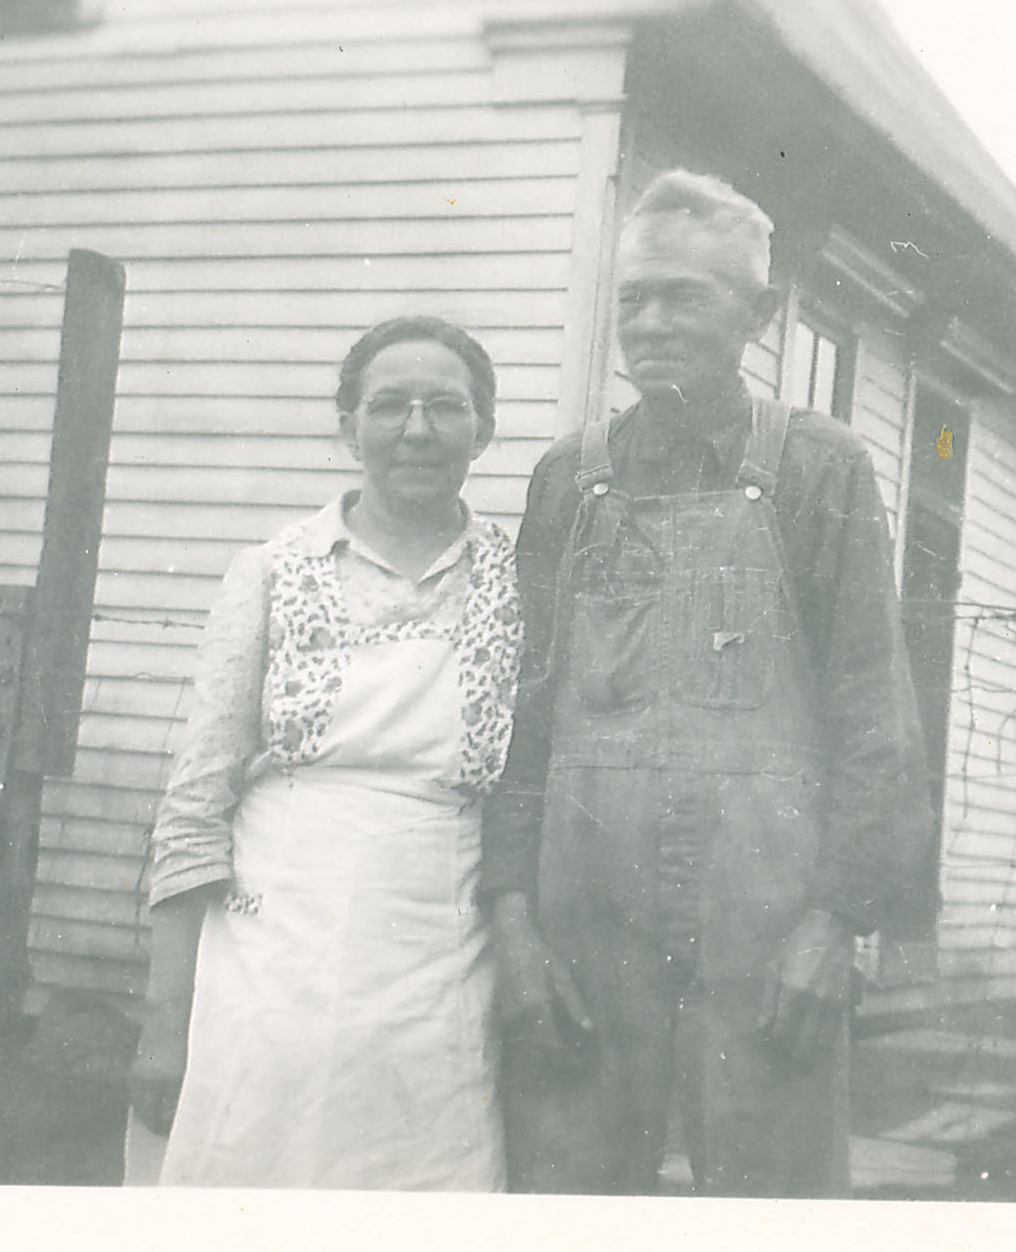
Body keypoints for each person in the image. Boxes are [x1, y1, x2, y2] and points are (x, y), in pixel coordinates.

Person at [485, 171, 935, 1197]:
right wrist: (511, 927)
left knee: (772, 1218)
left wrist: (837, 921)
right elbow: (519, 717)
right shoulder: (567, 479)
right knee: (566, 1215)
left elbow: (874, 714)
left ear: (757, 314)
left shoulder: (822, 468)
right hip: (583, 924)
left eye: (683, 296)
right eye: (634, 298)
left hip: (768, 923)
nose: (650, 323)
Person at [127, 315, 521, 1190]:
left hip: (438, 953)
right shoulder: (274, 571)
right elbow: (195, 803)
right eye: (388, 406)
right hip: (271, 948)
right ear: (348, 427)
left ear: (484, 429)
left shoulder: (516, 576)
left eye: (444, 407)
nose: (416, 430)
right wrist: (164, 1020)